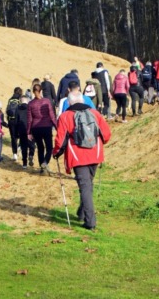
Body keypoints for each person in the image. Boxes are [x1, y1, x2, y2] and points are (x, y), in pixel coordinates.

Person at [53, 92, 112, 230]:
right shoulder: (95, 113)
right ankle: (81, 213)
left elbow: (60, 140)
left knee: (85, 187)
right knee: (87, 185)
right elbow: (107, 134)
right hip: (95, 154)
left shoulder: (65, 116)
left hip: (77, 156)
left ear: (69, 103)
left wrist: (56, 153)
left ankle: (90, 222)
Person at [27, 83, 58, 175]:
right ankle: (45, 163)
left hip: (35, 128)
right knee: (49, 148)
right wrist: (57, 127)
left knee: (40, 148)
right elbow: (52, 116)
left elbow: (29, 120)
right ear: (41, 91)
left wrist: (28, 132)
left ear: (33, 92)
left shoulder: (30, 103)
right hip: (46, 127)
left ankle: (42, 167)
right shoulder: (46, 101)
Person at [16, 94, 35, 169]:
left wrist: (17, 132)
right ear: (27, 100)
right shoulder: (30, 107)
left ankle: (24, 163)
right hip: (30, 129)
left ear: (20, 101)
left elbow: (16, 121)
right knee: (32, 144)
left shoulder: (18, 109)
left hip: (21, 129)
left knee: (23, 147)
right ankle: (31, 155)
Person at [6, 87, 23, 161]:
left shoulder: (10, 100)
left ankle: (14, 154)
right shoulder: (20, 99)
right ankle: (20, 147)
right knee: (21, 135)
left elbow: (7, 111)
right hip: (18, 121)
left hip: (11, 121)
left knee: (13, 137)